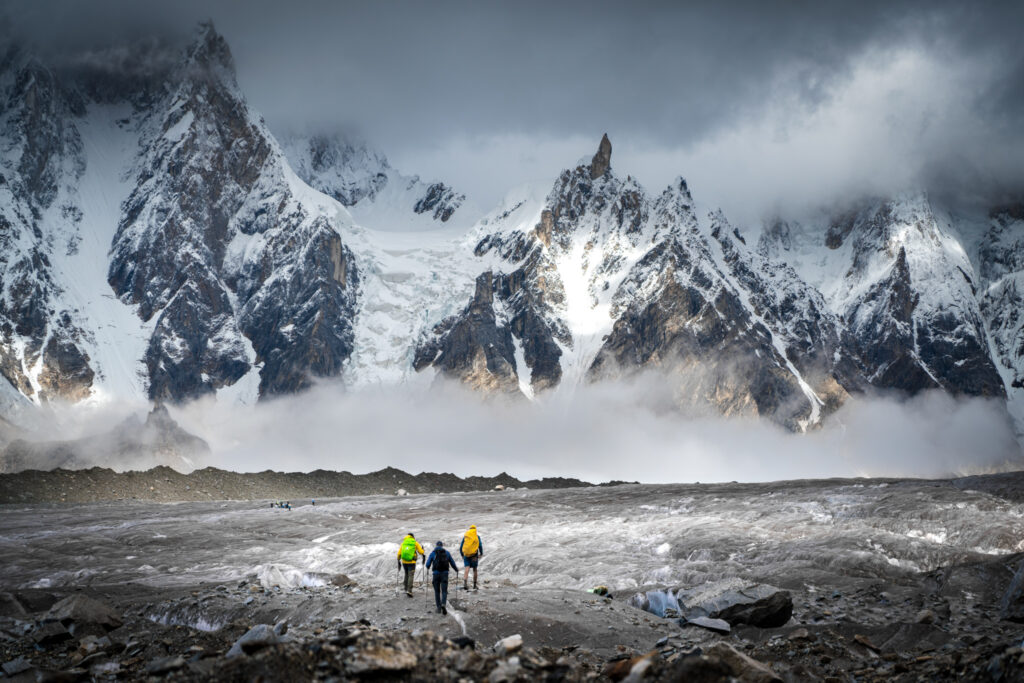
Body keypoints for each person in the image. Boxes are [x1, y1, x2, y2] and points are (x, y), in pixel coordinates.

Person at [426, 540, 460, 614]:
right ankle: (443, 604)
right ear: (442, 546)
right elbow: (452, 563)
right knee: (444, 591)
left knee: (437, 591)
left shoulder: (433, 553)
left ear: (436, 545)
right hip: (445, 574)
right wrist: (456, 570)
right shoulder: (447, 553)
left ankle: (438, 608)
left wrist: (428, 567)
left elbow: (427, 564)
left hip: (436, 574)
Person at [396, 533, 424, 597]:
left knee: (406, 574)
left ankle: (405, 589)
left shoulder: (403, 543)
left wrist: (398, 559)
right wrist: (423, 550)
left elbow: (399, 553)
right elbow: (421, 552)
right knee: (411, 575)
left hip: (404, 562)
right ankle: (409, 590)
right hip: (412, 562)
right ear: (413, 537)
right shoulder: (415, 542)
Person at [460, 524, 483, 590]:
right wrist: (481, 553)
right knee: (475, 570)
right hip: (474, 556)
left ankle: (465, 584)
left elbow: (461, 547)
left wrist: (462, 554)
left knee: (467, 569)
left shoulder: (466, 537)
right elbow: (480, 546)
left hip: (466, 555)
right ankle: (474, 585)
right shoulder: (477, 537)